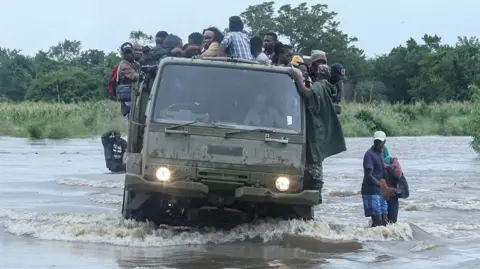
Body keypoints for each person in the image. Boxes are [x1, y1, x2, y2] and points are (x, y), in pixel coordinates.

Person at [288, 64, 347, 203]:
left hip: (315, 132)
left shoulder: (319, 87)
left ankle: (315, 195)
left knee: (314, 166)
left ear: (317, 75)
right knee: (317, 163)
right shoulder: (328, 88)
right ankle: (316, 195)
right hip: (319, 132)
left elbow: (306, 93)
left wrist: (297, 79)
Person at [361, 131, 391, 227]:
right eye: (376, 141)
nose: (378, 143)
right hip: (371, 191)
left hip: (380, 191)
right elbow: (368, 175)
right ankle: (371, 241)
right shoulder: (369, 155)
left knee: (385, 221)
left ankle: (383, 241)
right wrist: (380, 185)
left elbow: (379, 167)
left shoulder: (380, 153)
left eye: (380, 142)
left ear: (384, 142)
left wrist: (388, 166)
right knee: (377, 222)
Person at [117, 42, 141, 120]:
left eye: (130, 52)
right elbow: (135, 77)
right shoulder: (124, 65)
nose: (129, 54)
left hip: (134, 95)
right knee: (129, 119)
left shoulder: (134, 63)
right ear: (123, 54)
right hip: (127, 97)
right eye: (126, 52)